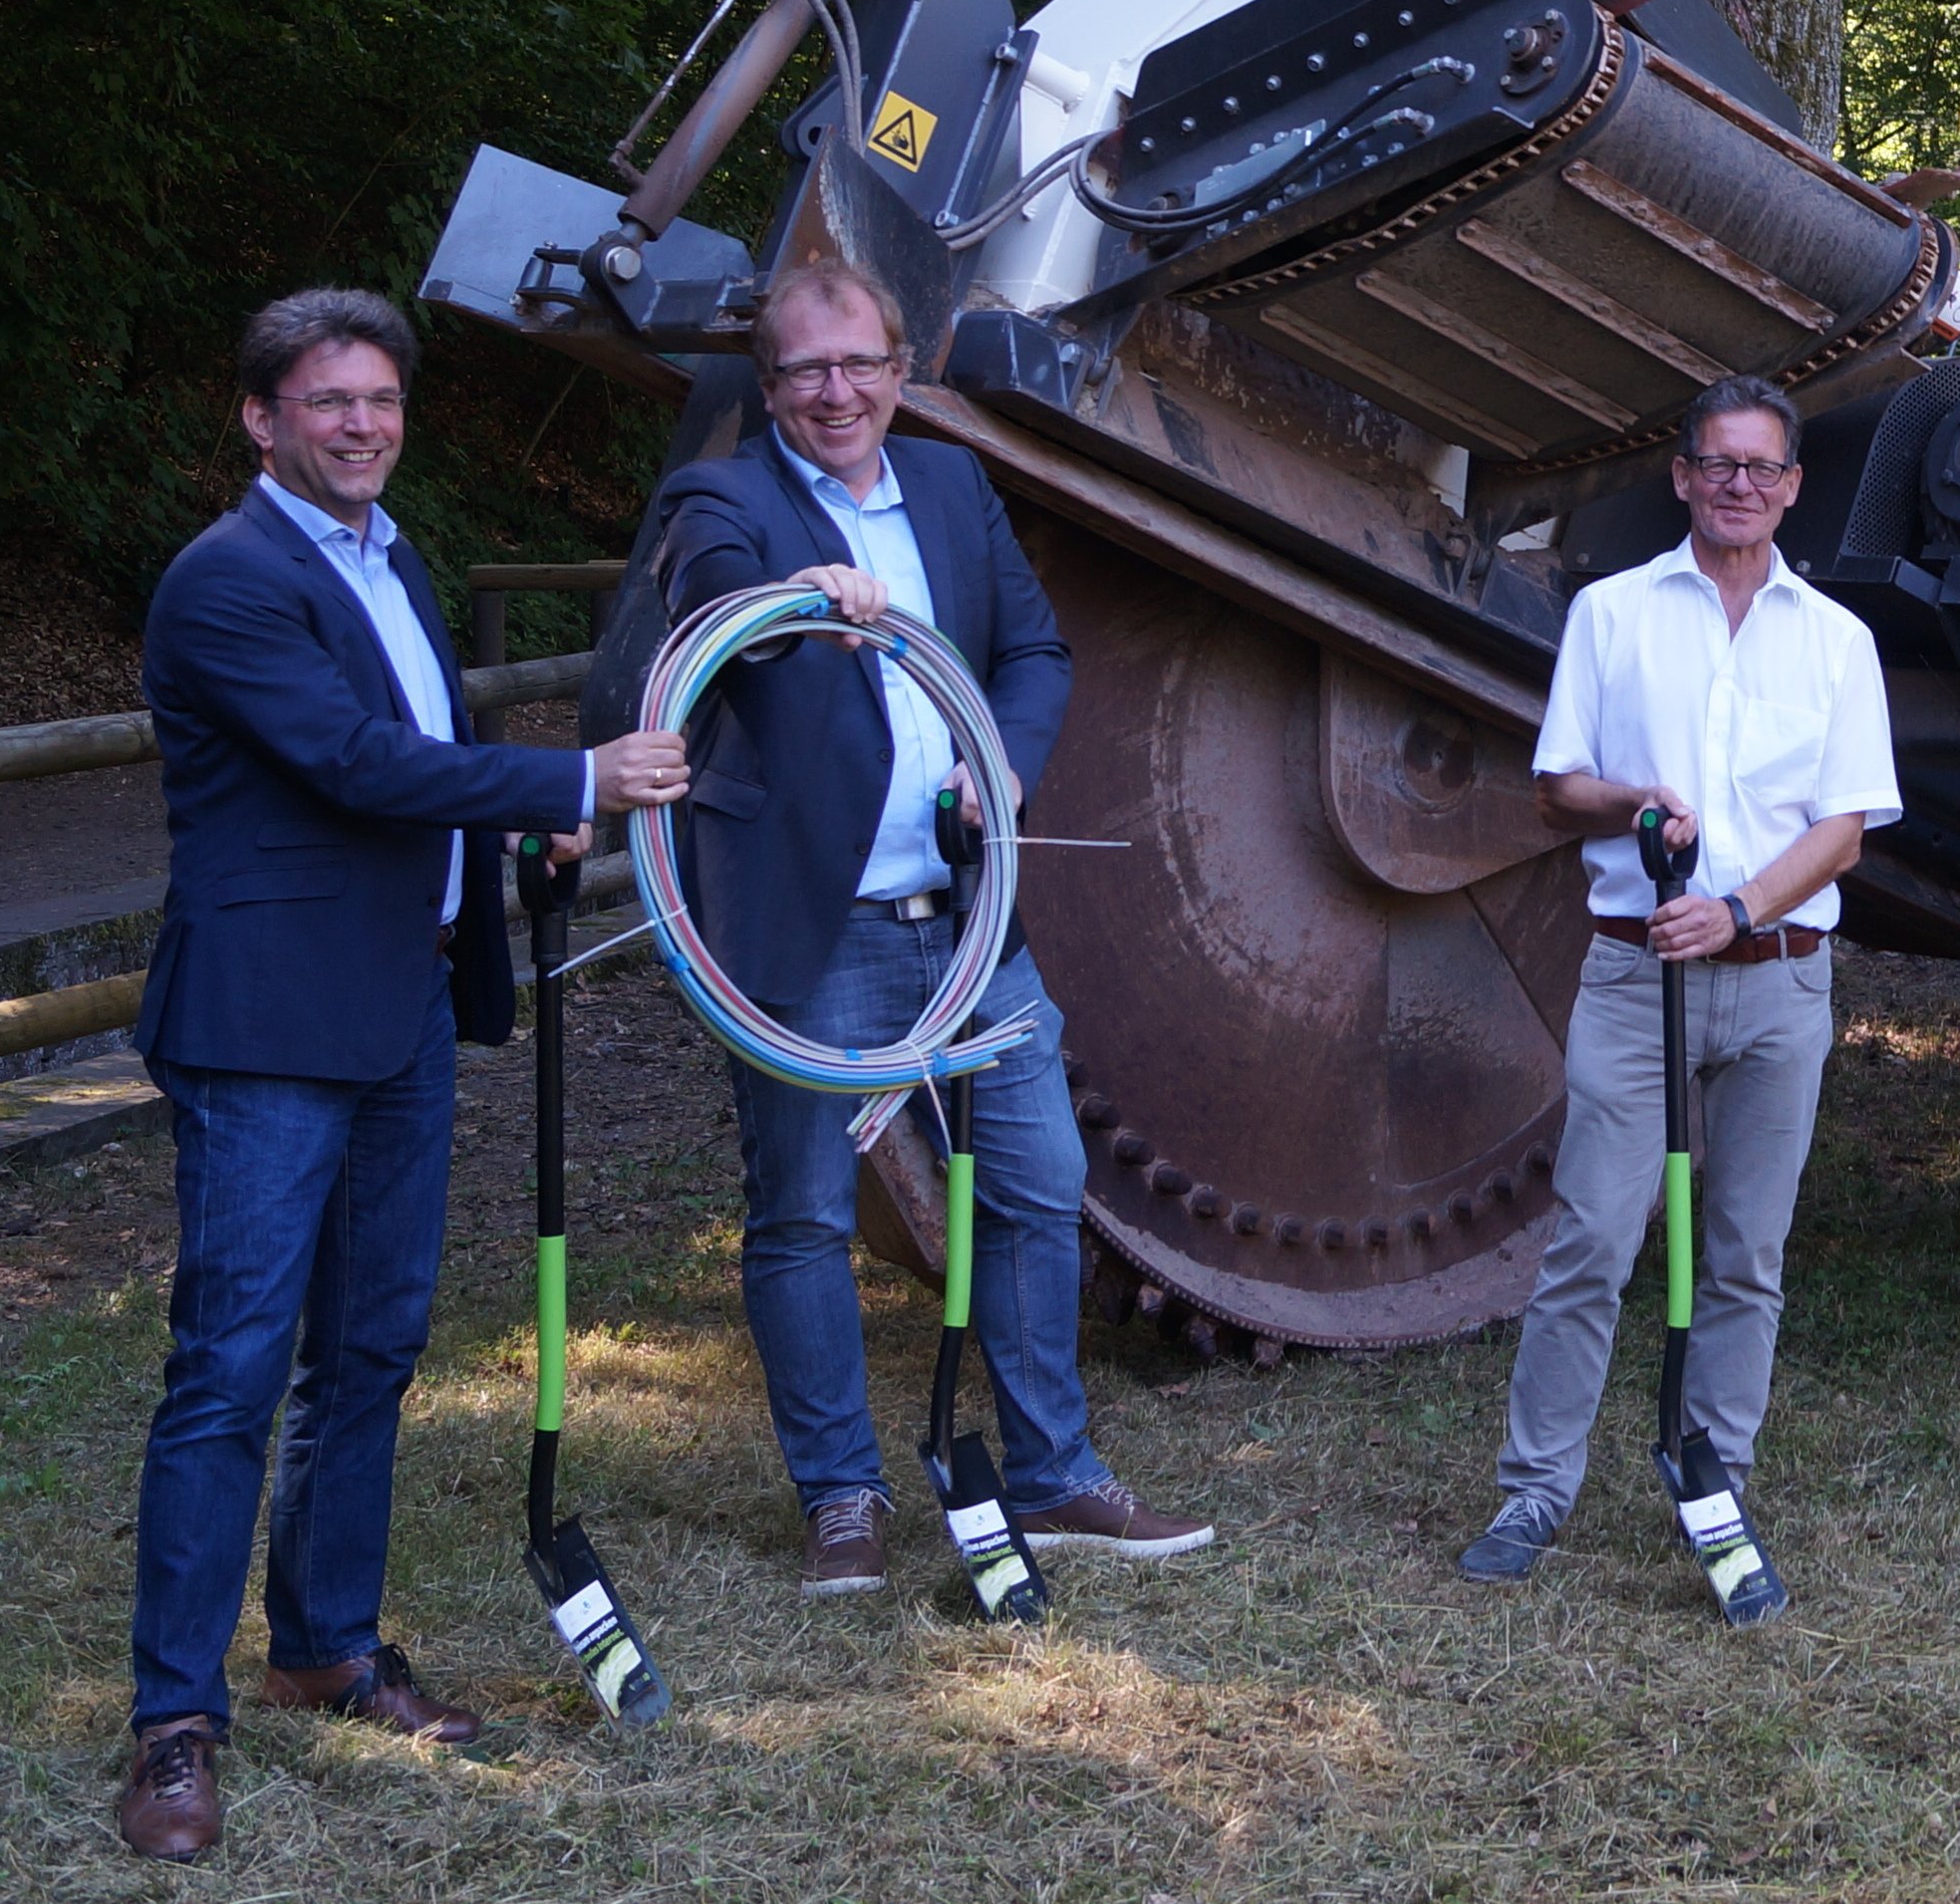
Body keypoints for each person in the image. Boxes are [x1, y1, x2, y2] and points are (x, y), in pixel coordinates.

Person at [119, 289, 693, 1859]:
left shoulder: (393, 557)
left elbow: (418, 755)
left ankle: (325, 1641)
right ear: (260, 417)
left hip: (400, 1017)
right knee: (230, 1366)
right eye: (327, 402)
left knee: (369, 1351)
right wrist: (575, 773)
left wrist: (515, 819)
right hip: (266, 1030)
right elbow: (353, 765)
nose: (362, 424)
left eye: (381, 399)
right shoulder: (226, 580)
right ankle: (175, 1717)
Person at [650, 255, 1213, 1594]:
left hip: (965, 914)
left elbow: (1031, 653)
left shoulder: (954, 489)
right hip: (810, 927)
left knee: (1031, 1176)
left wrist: (1004, 763)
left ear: (901, 370)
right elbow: (718, 615)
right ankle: (842, 1498)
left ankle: (1053, 1472)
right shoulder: (725, 499)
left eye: (859, 364)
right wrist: (804, 600)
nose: (835, 391)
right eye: (803, 370)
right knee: (798, 1210)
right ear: (769, 384)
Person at [1458, 377, 1898, 1588]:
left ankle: (1714, 1486)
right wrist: (1636, 799)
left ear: (1793, 485)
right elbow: (1559, 785)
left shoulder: (1837, 640)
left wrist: (1742, 906)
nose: (1740, 486)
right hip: (1634, 968)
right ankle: (1534, 1492)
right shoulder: (1612, 612)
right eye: (1719, 465)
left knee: (1745, 1252)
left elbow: (1846, 825)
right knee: (1593, 1234)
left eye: (1762, 468)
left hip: (1781, 977)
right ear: (1683, 476)